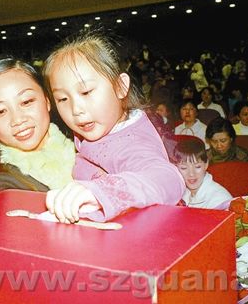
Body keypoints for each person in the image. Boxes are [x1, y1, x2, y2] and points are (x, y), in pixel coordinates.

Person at [42, 32, 185, 223]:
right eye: (62, 99)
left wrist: (102, 192)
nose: (76, 109)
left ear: (120, 86)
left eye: (86, 92)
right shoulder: (97, 127)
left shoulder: (131, 141)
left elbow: (168, 178)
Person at [0, 58, 75, 194]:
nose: (17, 120)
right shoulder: (3, 186)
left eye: (26, 102)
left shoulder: (88, 147)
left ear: (47, 100)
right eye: (0, 111)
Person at [174, 139, 232, 209]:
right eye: (184, 168)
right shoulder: (178, 193)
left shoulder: (221, 201)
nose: (191, 174)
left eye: (197, 167)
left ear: (206, 164)